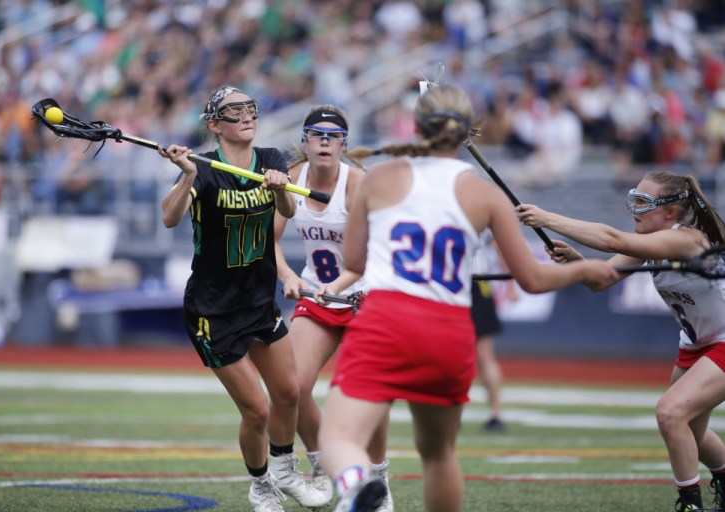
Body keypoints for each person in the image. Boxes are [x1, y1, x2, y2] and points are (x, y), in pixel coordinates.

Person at [317, 83, 619, 512]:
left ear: (417, 125)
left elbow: (353, 259)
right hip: (449, 330)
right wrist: (585, 269)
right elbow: (531, 278)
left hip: (387, 320)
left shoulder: (380, 177)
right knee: (439, 454)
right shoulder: (484, 193)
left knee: (340, 437)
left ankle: (355, 486)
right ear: (466, 133)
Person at [159, 85, 330, 512]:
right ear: (215, 125)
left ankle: (286, 469)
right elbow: (168, 218)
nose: (248, 117)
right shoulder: (203, 167)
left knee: (289, 393)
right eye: (235, 112)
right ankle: (261, 486)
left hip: (259, 300)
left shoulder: (271, 159)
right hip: (213, 308)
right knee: (256, 410)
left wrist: (279, 188)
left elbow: (288, 212)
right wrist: (187, 176)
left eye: (251, 109)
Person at [516, 171, 725, 512]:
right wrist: (579, 264)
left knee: (671, 415)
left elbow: (614, 239)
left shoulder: (685, 240)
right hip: (694, 343)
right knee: (693, 432)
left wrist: (548, 218)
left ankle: (691, 507)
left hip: (723, 342)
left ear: (670, 212)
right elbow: (601, 282)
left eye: (642, 202)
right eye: (633, 198)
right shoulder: (651, 242)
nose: (633, 209)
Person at [274, 104, 394, 511]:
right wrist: (289, 276)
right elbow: (270, 240)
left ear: (344, 143)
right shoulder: (291, 178)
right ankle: (324, 460)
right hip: (318, 294)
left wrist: (339, 286)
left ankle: (378, 477)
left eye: (334, 135)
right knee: (293, 386)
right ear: (305, 140)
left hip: (363, 294)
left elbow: (372, 255)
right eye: (316, 134)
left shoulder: (358, 184)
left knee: (369, 393)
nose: (324, 142)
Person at [471, 230, 514, 433]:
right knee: (484, 356)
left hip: (459, 284)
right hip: (477, 284)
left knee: (482, 355)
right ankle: (495, 414)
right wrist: (511, 284)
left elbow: (499, 246)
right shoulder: (481, 202)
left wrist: (511, 283)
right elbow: (500, 246)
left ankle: (495, 413)